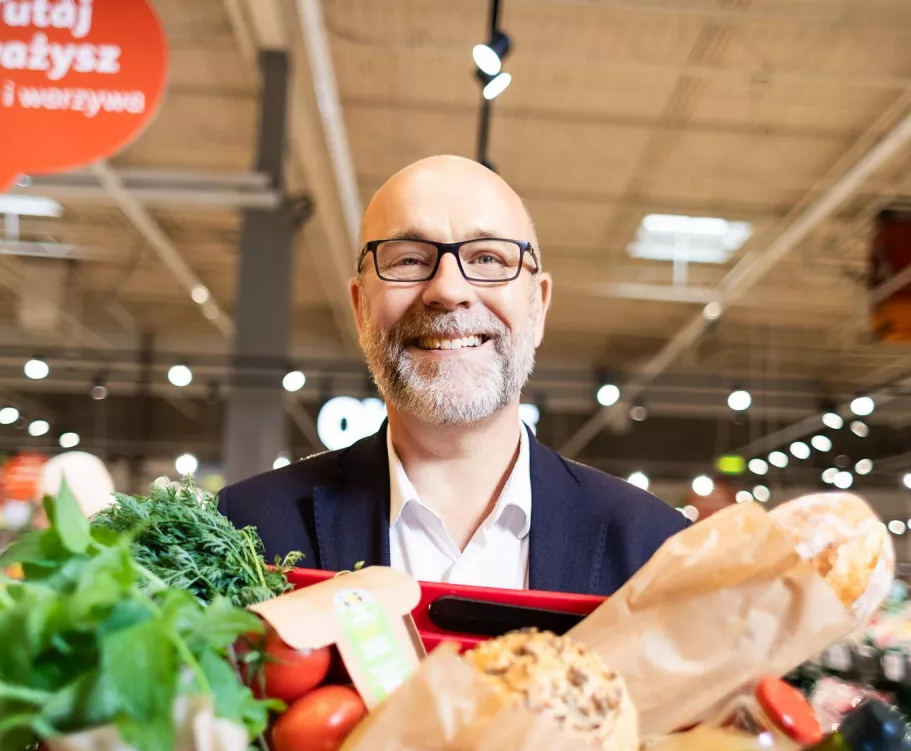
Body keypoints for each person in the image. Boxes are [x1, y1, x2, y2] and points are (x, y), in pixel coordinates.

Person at [218, 155, 688, 595]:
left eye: (488, 259)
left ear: (538, 306)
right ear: (361, 309)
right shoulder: (242, 531)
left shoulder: (658, 551)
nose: (447, 289)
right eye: (408, 259)